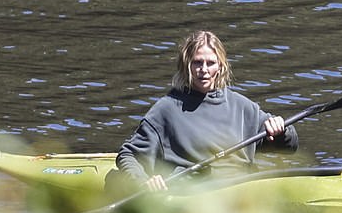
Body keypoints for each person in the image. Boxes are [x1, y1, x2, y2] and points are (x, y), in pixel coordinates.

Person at [116, 30, 299, 191]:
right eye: (197, 63)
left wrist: (282, 131)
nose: (203, 70)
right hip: (193, 194)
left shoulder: (242, 106)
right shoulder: (166, 110)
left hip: (243, 194)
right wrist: (143, 181)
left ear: (220, 66)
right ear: (186, 65)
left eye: (210, 63)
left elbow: (290, 146)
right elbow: (128, 155)